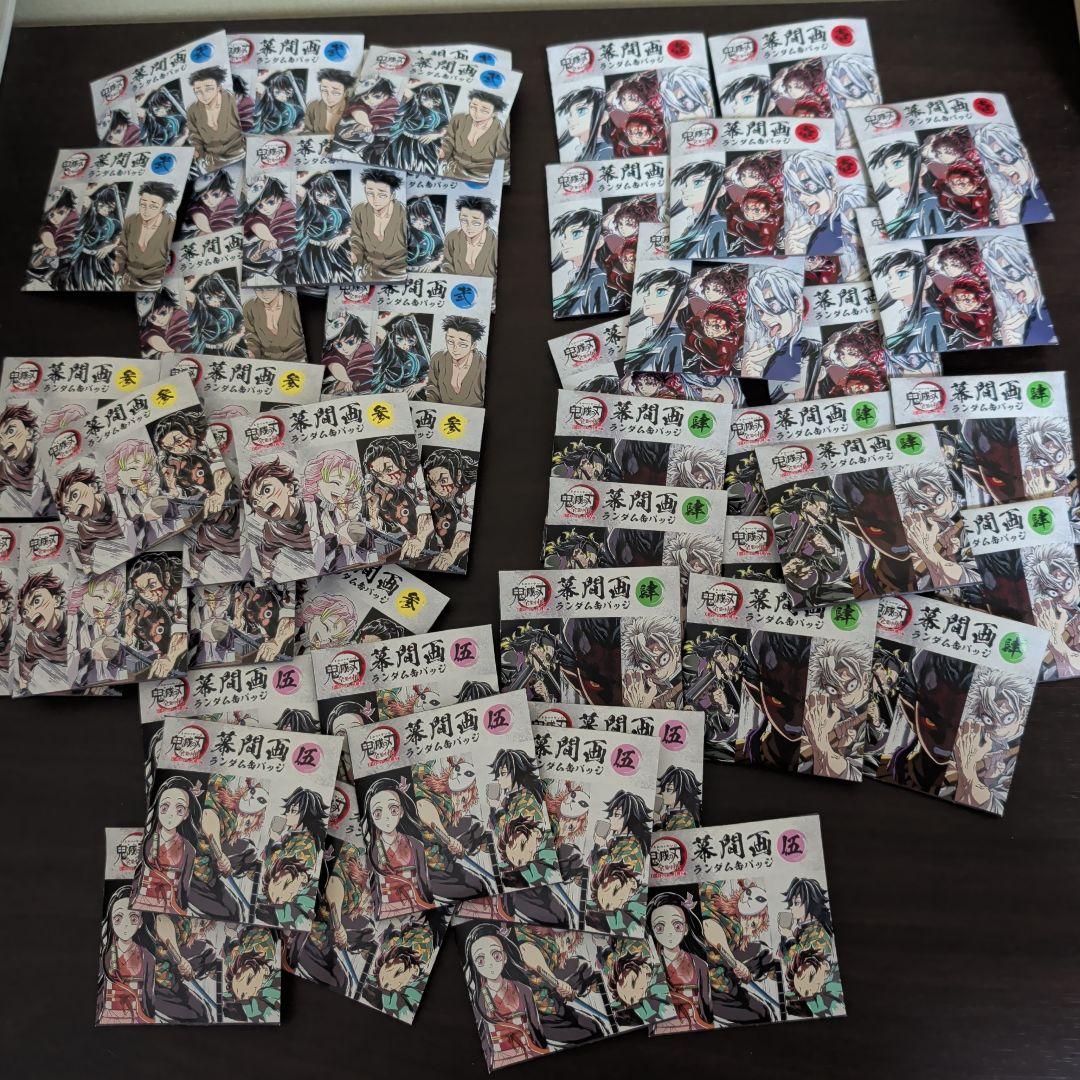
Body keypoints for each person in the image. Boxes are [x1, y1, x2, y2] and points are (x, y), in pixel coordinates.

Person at [115, 181, 178, 290]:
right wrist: (118, 263)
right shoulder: (131, 221)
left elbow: (174, 260)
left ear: (163, 207)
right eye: (143, 204)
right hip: (127, 282)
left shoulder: (170, 226)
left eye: (153, 206)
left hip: (154, 286)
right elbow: (122, 247)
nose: (146, 210)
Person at [439, 89, 510, 182]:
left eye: (484, 111)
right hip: (451, 172)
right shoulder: (459, 120)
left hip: (480, 178)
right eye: (473, 107)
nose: (476, 113)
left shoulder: (501, 132)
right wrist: (443, 152)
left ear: (494, 113)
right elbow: (448, 141)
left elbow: (504, 167)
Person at [296, 171, 353, 286]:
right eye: (320, 195)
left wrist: (341, 238)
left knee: (345, 278)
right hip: (313, 253)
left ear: (335, 195)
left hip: (336, 250)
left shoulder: (340, 212)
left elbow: (350, 227)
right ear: (313, 194)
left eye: (330, 195)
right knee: (316, 280)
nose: (325, 200)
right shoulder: (311, 208)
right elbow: (296, 187)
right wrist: (317, 171)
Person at [350, 168, 407, 280]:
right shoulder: (359, 211)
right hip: (368, 274)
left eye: (382, 195)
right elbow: (356, 240)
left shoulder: (404, 215)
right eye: (370, 193)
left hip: (400, 276)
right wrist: (354, 255)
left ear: (392, 195)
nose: (374, 200)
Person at [187, 65, 245, 170]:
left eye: (208, 89)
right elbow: (194, 137)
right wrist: (199, 156)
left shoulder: (234, 100)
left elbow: (248, 128)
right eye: (198, 91)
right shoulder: (193, 109)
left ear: (219, 87)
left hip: (240, 156)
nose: (203, 95)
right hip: (211, 163)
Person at [426, 315, 486, 406]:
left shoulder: (483, 364)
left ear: (473, 345)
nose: (455, 349)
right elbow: (431, 391)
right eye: (450, 341)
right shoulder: (438, 358)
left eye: (462, 344)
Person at [242, 287, 306, 362]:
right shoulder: (250, 306)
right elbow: (251, 335)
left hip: (298, 359)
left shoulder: (295, 303)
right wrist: (252, 352)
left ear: (279, 287)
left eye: (269, 288)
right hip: (266, 362)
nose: (264, 294)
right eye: (259, 289)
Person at [443, 195, 497, 277]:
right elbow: (446, 266)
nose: (468, 227)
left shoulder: (495, 242)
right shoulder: (452, 237)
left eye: (476, 223)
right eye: (464, 221)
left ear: (486, 223)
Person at [182, 169, 238, 237]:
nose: (209, 200)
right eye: (205, 196)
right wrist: (208, 232)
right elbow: (198, 215)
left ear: (225, 193)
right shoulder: (198, 205)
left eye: (215, 195)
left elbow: (222, 223)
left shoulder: (229, 202)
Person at [305, 68, 355, 134]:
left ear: (345, 93)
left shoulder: (354, 108)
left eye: (335, 93)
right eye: (324, 91)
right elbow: (307, 130)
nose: (329, 97)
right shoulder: (314, 107)